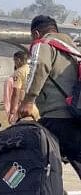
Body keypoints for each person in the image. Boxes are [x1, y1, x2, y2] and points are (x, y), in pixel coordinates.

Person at [19, 15, 81, 179]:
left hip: (56, 117)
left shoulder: (42, 44)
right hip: (76, 115)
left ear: (36, 33)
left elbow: (39, 66)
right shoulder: (74, 50)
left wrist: (28, 100)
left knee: (35, 160)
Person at [8, 51, 39, 124]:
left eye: (14, 60)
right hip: (35, 105)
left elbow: (16, 92)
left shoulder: (19, 72)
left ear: (18, 60)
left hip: (24, 107)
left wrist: (12, 112)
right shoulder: (32, 69)